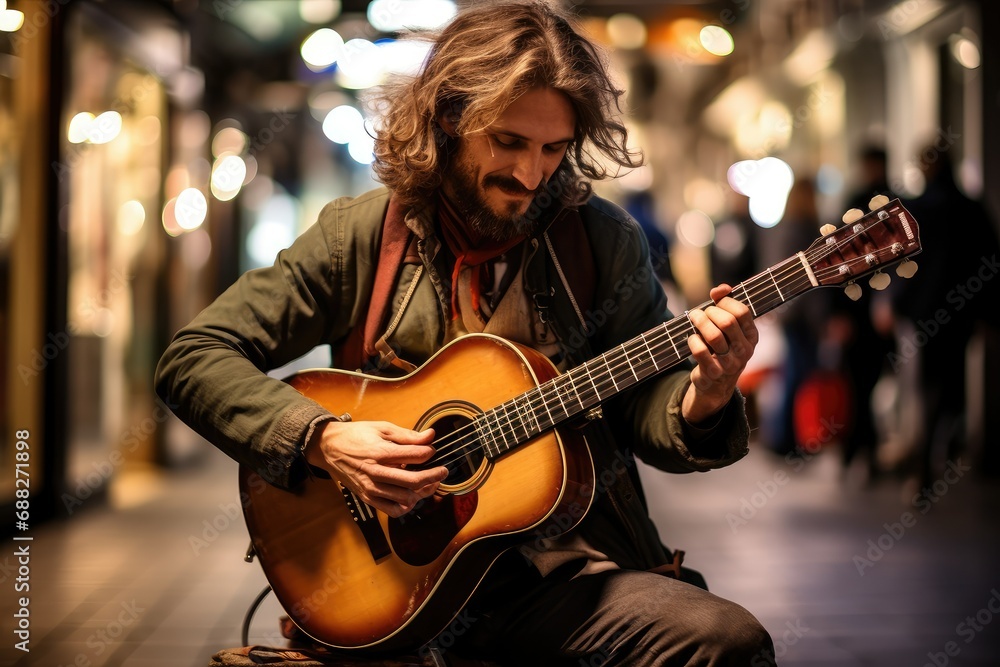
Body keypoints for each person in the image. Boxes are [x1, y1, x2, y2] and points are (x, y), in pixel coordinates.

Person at [155, 2, 774, 665]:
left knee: (730, 642)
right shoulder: (361, 237)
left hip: (563, 584)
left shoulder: (599, 241)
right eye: (508, 142)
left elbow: (650, 413)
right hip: (393, 594)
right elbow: (191, 358)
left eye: (553, 149)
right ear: (449, 119)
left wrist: (705, 395)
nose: (529, 174)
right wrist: (324, 438)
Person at [891, 144, 1000, 491]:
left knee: (930, 385)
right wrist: (986, 312)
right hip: (962, 312)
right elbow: (990, 263)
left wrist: (899, 306)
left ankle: (926, 463)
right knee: (953, 385)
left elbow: (903, 265)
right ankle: (947, 448)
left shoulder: (918, 210)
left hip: (927, 313)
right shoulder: (970, 208)